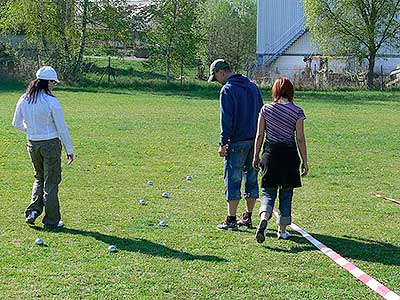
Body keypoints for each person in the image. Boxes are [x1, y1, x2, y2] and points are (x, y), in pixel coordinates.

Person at [12, 66, 74, 230]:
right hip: (50, 144)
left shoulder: (24, 98)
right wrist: (69, 150)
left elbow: (16, 123)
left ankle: (32, 212)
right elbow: (61, 128)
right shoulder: (51, 101)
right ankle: (51, 221)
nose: (54, 85)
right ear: (48, 82)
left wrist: (31, 130)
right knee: (51, 182)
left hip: (32, 144)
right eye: (54, 82)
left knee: (39, 177)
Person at [208, 59, 264, 231]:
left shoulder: (227, 90)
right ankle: (248, 217)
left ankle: (231, 219)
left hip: (237, 142)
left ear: (222, 72)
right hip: (254, 140)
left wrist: (223, 143)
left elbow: (226, 120)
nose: (217, 80)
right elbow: (262, 113)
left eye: (216, 76)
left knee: (233, 179)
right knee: (252, 179)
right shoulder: (253, 87)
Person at [252, 77, 308, 243]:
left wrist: (256, 155)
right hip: (289, 155)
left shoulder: (265, 109)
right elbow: (300, 138)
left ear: (275, 91)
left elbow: (260, 134)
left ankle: (264, 218)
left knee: (268, 192)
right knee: (286, 193)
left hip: (270, 153)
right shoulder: (297, 111)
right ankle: (282, 231)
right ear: (291, 92)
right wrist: (305, 161)